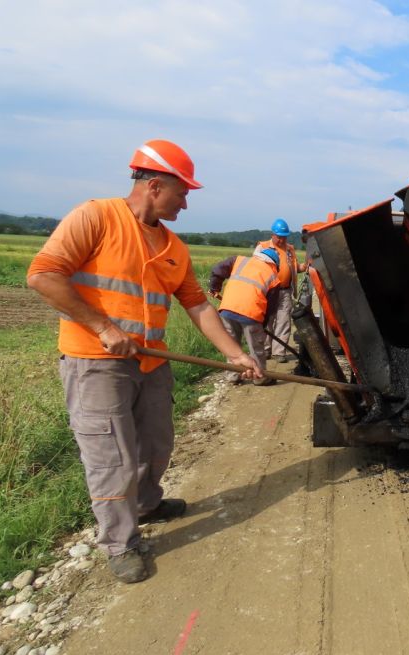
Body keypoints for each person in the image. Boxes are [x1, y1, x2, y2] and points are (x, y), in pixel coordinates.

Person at [26, 139, 263, 584]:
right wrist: (103, 328)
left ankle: (147, 504)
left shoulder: (173, 245)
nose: (186, 204)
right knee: (111, 456)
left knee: (155, 445)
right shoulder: (95, 217)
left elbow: (198, 306)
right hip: (96, 364)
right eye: (183, 193)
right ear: (155, 185)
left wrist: (237, 355)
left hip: (152, 365)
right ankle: (120, 542)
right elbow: (42, 275)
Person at [209, 248, 283, 386]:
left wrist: (214, 287)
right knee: (256, 348)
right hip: (252, 314)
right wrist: (263, 325)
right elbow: (271, 308)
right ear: (274, 264)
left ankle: (233, 375)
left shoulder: (239, 260)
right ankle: (260, 377)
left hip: (227, 309)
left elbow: (217, 269)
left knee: (231, 344)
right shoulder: (273, 277)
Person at [254, 219, 307, 363]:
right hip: (268, 291)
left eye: (284, 236)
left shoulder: (289, 249)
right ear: (273, 234)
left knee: (283, 321)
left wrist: (307, 265)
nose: (282, 239)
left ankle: (279, 352)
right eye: (279, 236)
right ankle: (265, 350)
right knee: (267, 321)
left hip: (285, 291)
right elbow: (254, 268)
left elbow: (295, 268)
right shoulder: (262, 246)